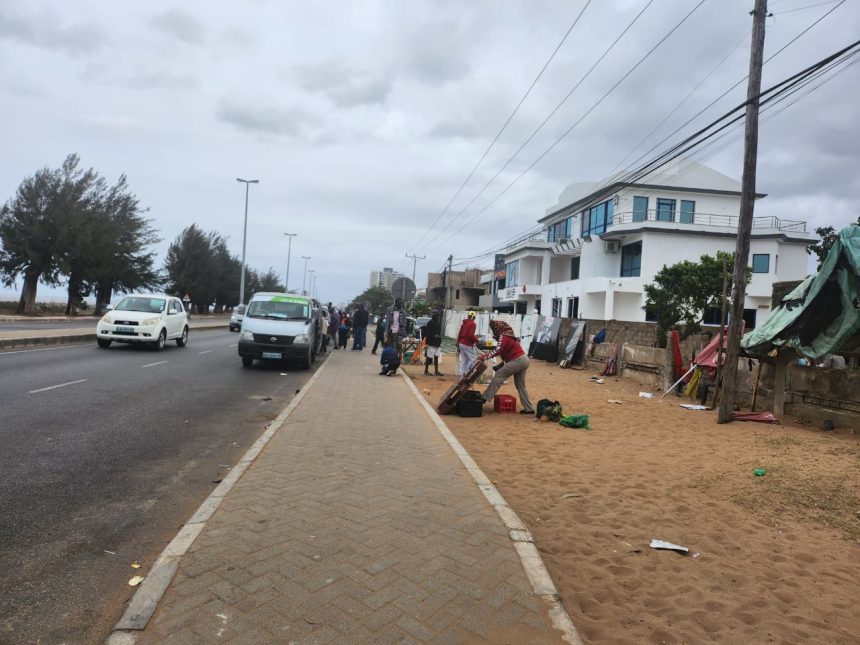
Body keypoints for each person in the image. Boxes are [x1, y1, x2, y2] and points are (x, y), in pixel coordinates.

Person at [479, 320, 534, 414]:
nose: (493, 331)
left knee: (499, 375)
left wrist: (484, 357)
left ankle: (484, 398)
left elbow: (498, 351)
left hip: (518, 360)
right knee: (520, 385)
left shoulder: (503, 337)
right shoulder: (508, 335)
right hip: (524, 359)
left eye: (494, 329)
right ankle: (529, 409)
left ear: (498, 328)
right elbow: (504, 350)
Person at [457, 310, 479, 376]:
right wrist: (477, 340)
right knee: (473, 358)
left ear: (468, 316)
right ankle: (470, 374)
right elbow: (470, 335)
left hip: (461, 343)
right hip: (467, 344)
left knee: (464, 360)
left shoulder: (464, 323)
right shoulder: (473, 324)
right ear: (474, 317)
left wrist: (458, 344)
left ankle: (462, 374)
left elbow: (460, 334)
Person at [422, 311, 444, 376]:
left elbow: (439, 333)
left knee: (437, 356)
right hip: (431, 343)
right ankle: (426, 371)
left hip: (437, 342)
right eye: (437, 316)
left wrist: (439, 337)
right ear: (433, 316)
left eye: (438, 316)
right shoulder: (430, 323)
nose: (438, 317)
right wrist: (434, 336)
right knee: (429, 357)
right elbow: (427, 334)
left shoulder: (438, 323)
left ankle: (436, 371)